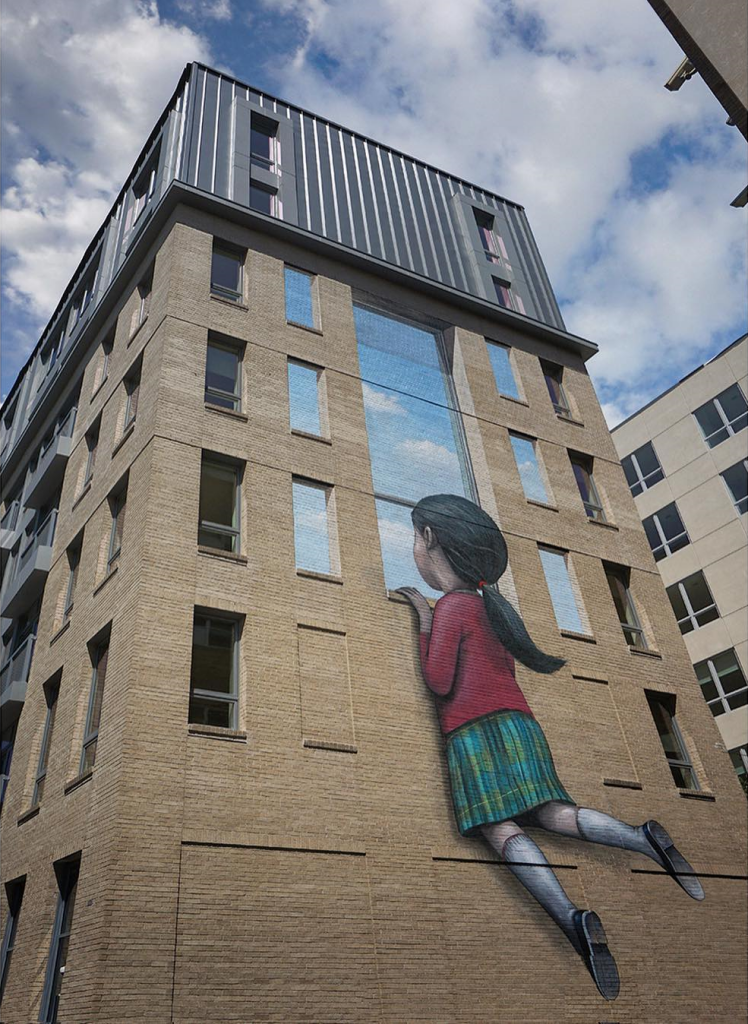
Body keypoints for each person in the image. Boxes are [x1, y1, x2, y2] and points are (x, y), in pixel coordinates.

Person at [397, 493, 704, 1002]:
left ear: (429, 538)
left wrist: (424, 621)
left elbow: (438, 680)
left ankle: (571, 918)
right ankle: (640, 837)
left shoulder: (452, 607)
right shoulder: (492, 608)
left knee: (499, 826)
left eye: (414, 537)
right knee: (552, 812)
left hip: (473, 733)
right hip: (522, 727)